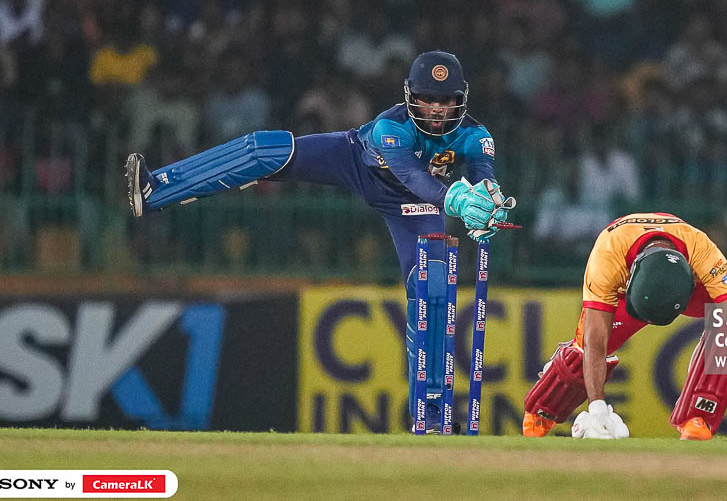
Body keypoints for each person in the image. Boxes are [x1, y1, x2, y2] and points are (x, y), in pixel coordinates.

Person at [126, 51, 516, 431]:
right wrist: (456, 199)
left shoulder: (476, 135)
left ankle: (430, 416)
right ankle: (157, 188)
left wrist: (489, 204)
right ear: (410, 97)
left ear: (461, 99)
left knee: (432, 281)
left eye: (446, 101)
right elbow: (413, 175)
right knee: (267, 147)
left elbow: (484, 175)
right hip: (356, 161)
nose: (436, 110)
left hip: (413, 206)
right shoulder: (388, 129)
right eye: (428, 100)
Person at [522, 212, 727, 440]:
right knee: (582, 353)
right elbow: (597, 342)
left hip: (681, 294)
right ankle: (540, 414)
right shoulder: (607, 257)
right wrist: (598, 409)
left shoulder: (700, 247)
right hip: (629, 301)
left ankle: (698, 417)